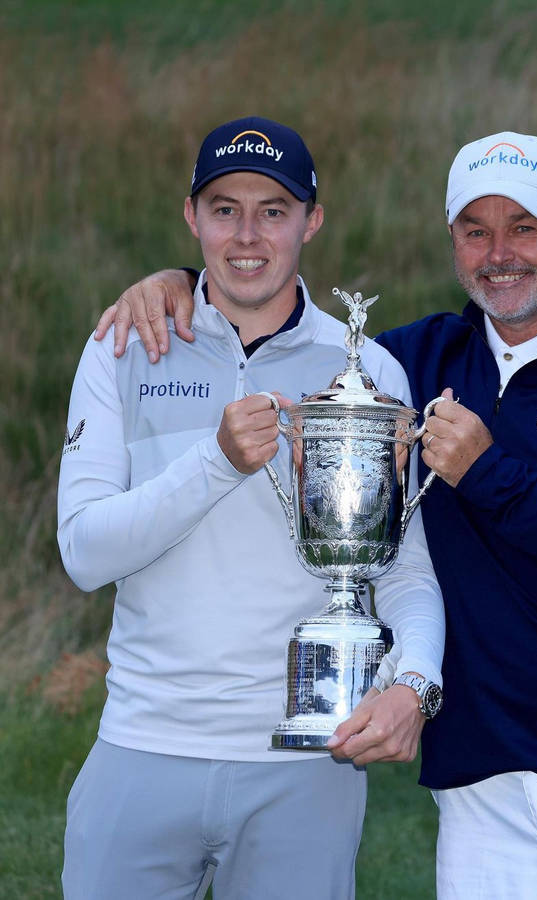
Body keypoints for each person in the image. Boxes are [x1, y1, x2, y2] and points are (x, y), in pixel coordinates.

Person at [97, 130, 537, 898]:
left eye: (523, 227)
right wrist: (178, 283)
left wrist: (489, 473)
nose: (500, 252)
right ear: (452, 239)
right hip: (480, 781)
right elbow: (284, 320)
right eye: (474, 230)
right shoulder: (414, 363)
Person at [58, 116, 444, 900]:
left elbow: (403, 571)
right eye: (224, 208)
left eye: (272, 210)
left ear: (311, 220)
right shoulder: (125, 346)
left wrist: (415, 682)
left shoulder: (366, 370)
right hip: (142, 745)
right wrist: (216, 461)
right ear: (190, 217)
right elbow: (85, 553)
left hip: (306, 764)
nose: (247, 235)